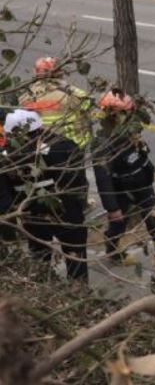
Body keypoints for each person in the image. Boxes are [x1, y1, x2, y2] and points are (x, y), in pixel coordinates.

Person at [94, 89, 155, 279]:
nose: (130, 117)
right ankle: (113, 251)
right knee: (119, 224)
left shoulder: (130, 133)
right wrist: (112, 208)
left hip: (143, 187)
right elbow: (103, 179)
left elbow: (140, 156)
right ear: (112, 114)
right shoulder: (103, 144)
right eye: (125, 113)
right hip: (123, 192)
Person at [1, 109, 88, 282]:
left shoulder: (6, 156)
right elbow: (78, 181)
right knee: (75, 254)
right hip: (66, 211)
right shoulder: (64, 146)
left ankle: (45, 287)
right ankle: (79, 289)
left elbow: (4, 197)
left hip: (31, 214)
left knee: (40, 257)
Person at [19, 57, 93, 147]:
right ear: (60, 72)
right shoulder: (71, 94)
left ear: (35, 72)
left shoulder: (27, 96)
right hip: (71, 145)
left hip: (39, 144)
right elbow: (89, 107)